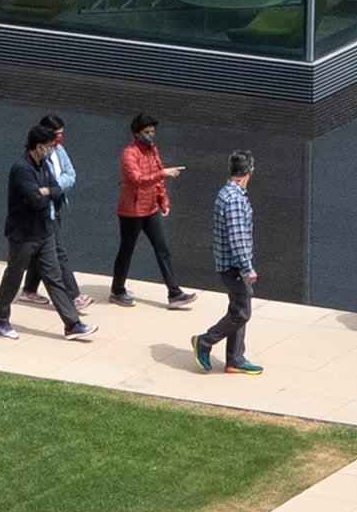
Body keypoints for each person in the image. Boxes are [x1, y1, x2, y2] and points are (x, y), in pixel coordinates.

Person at [0, 116, 88, 339]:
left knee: (54, 279)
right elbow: (36, 200)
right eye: (50, 146)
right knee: (14, 276)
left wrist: (47, 191)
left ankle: (72, 324)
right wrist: (46, 192)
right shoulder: (22, 169)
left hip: (44, 231)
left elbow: (53, 188)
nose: (53, 149)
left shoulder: (43, 166)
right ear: (39, 146)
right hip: (23, 234)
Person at [104, 118, 184, 306]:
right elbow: (137, 179)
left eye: (152, 131)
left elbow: (158, 180)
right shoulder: (129, 154)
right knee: (127, 250)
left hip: (150, 209)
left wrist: (163, 200)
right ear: (136, 133)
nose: (150, 135)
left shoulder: (152, 150)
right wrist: (164, 173)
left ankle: (174, 293)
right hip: (131, 211)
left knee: (162, 248)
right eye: (147, 131)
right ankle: (117, 290)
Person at [198, 151, 265, 373]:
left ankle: (235, 358)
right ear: (250, 171)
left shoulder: (228, 193)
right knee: (241, 313)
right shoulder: (235, 199)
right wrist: (247, 268)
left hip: (230, 264)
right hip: (234, 266)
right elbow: (237, 239)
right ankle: (204, 342)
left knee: (240, 304)